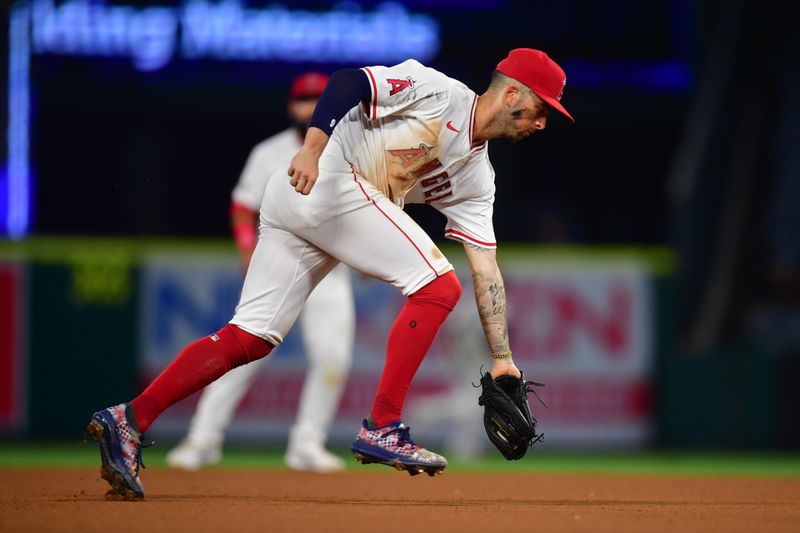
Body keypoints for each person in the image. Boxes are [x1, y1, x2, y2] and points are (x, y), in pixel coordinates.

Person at [87, 48, 573, 499]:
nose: (543, 122)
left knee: (251, 337)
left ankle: (128, 419)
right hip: (325, 176)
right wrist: (312, 148)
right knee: (436, 285)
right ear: (511, 93)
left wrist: (503, 357)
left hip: (310, 204)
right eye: (542, 108)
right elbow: (348, 82)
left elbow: (486, 268)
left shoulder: (478, 179)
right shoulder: (438, 92)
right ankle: (383, 424)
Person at [164, 72, 355, 473]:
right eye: (305, 99)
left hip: (330, 272)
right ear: (292, 106)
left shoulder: (350, 150)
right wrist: (247, 247)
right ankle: (202, 440)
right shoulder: (269, 152)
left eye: (319, 99)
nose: (311, 106)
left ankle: (307, 444)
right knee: (242, 354)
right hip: (279, 268)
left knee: (333, 358)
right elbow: (241, 205)